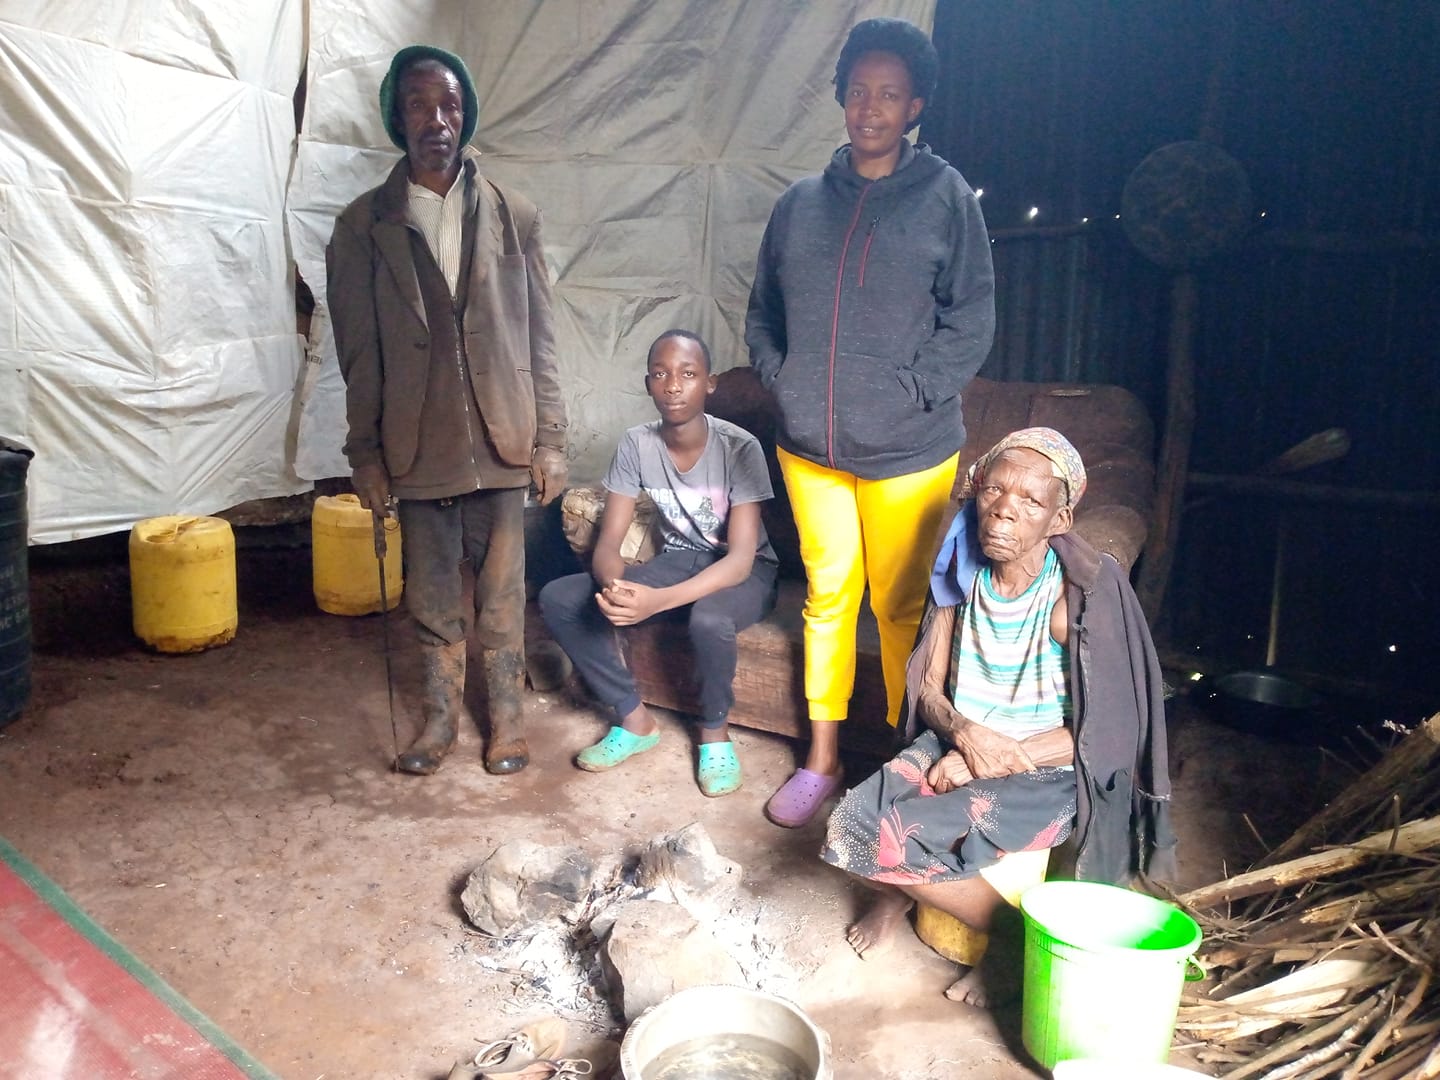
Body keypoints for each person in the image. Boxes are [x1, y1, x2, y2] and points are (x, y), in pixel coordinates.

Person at [820, 428, 1176, 1005]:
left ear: (1058, 520)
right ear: (975, 492)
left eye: (1031, 501)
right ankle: (899, 897)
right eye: (994, 491)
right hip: (963, 743)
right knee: (848, 825)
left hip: (1050, 764)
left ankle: (1016, 944)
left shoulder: (1075, 603)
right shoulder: (961, 578)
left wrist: (997, 759)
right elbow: (928, 689)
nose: (1005, 511)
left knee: (899, 838)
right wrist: (965, 736)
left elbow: (1113, 730)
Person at [744, 17, 996, 827]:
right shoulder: (799, 204)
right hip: (810, 449)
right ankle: (819, 758)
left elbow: (973, 318)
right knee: (825, 598)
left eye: (889, 94)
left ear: (915, 104)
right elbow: (761, 312)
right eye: (859, 92)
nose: (870, 108)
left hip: (908, 449)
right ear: (842, 99)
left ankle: (896, 764)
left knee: (897, 609)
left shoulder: (946, 199)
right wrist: (783, 381)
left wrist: (914, 391)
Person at [327, 45, 567, 777]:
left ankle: (506, 723)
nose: (438, 120)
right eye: (419, 106)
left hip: (502, 435)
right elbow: (358, 354)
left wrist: (550, 437)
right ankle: (437, 723)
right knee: (429, 594)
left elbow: (541, 335)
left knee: (502, 594)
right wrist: (365, 454)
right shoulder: (364, 226)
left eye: (450, 105)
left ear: (467, 114)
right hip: (416, 442)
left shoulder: (511, 213)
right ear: (398, 121)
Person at [539, 331, 779, 797]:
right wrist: (617, 588)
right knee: (561, 597)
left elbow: (741, 560)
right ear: (647, 383)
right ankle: (634, 720)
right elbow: (609, 542)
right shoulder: (636, 444)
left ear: (709, 384)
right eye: (661, 374)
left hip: (745, 569)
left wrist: (657, 601)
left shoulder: (739, 447)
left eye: (688, 374)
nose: (673, 385)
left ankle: (713, 734)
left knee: (710, 619)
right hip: (678, 561)